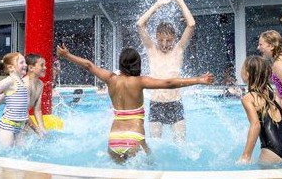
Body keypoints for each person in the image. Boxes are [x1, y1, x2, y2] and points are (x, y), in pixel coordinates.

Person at [56, 44, 211, 164]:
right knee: (150, 166)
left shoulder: (110, 78)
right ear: (137, 64)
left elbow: (89, 65)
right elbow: (169, 83)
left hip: (114, 138)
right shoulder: (139, 82)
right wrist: (198, 80)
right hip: (134, 136)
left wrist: (67, 55)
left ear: (121, 64)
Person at [137, 0, 198, 140]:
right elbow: (140, 24)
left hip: (175, 103)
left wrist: (180, 1)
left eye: (169, 41)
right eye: (161, 40)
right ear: (156, 37)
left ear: (174, 38)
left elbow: (191, 24)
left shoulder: (178, 49)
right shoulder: (151, 49)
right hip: (156, 104)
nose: (164, 44)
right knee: (156, 145)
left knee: (181, 145)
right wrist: (157, 5)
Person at [239, 55, 282, 165]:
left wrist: (246, 155)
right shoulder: (274, 95)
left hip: (272, 150)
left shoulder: (248, 98)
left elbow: (256, 125)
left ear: (247, 74)